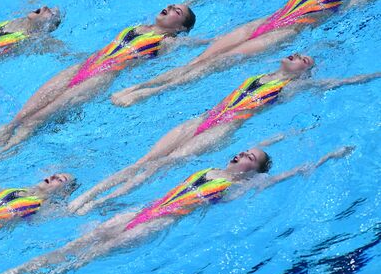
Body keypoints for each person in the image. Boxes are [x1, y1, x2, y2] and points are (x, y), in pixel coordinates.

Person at [0, 146, 353, 274]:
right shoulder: (210, 168)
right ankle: (12, 273)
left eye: (251, 157)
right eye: (245, 150)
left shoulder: (237, 187)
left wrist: (320, 160)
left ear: (254, 170)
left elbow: (280, 177)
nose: (243, 154)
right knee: (74, 245)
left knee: (87, 257)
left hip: (154, 225)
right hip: (139, 213)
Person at [69, 54, 381, 214]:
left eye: (305, 60)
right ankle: (89, 194)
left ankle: (105, 200)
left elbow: (341, 82)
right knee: (145, 159)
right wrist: (281, 137)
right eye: (299, 54)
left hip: (220, 130)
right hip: (201, 120)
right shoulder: (262, 74)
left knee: (159, 166)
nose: (297, 56)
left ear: (305, 73)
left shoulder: (293, 87)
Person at [0, 3, 203, 180]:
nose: (170, 7)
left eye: (177, 12)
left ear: (180, 27)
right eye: (171, 5)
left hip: (99, 79)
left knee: (34, 122)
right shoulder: (142, 26)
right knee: (21, 117)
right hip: (80, 68)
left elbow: (196, 45)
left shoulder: (169, 42)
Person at [112, 0, 381, 107]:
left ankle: (149, 93)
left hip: (279, 34)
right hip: (261, 23)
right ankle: (136, 87)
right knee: (200, 59)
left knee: (212, 65)